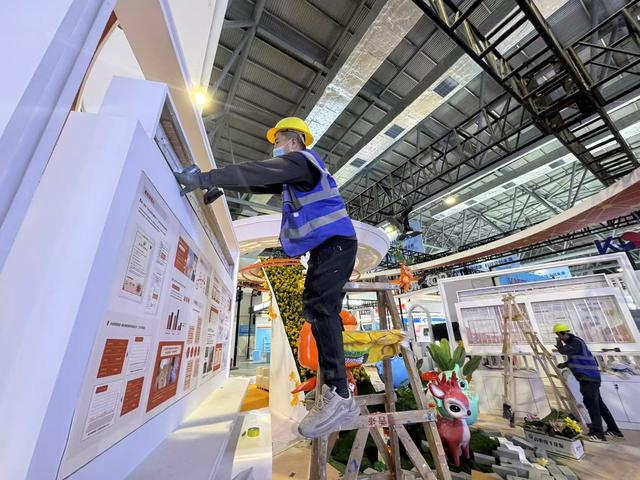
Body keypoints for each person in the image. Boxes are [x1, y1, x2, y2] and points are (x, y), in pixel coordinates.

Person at [174, 117, 359, 438]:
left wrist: (204, 177)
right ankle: (338, 392)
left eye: (278, 141)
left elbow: (259, 171)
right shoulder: (299, 174)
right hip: (331, 245)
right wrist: (218, 183)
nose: (275, 148)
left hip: (336, 244)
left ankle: (339, 394)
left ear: (293, 141)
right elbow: (258, 182)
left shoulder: (301, 161)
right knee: (317, 309)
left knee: (321, 309)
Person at [553, 323, 624, 442]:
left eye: (559, 336)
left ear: (563, 334)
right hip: (590, 378)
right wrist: (565, 364)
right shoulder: (574, 343)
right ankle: (614, 430)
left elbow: (564, 351)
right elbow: (577, 358)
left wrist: (559, 345)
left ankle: (598, 434)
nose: (559, 338)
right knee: (599, 405)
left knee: (592, 406)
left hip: (589, 379)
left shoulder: (575, 342)